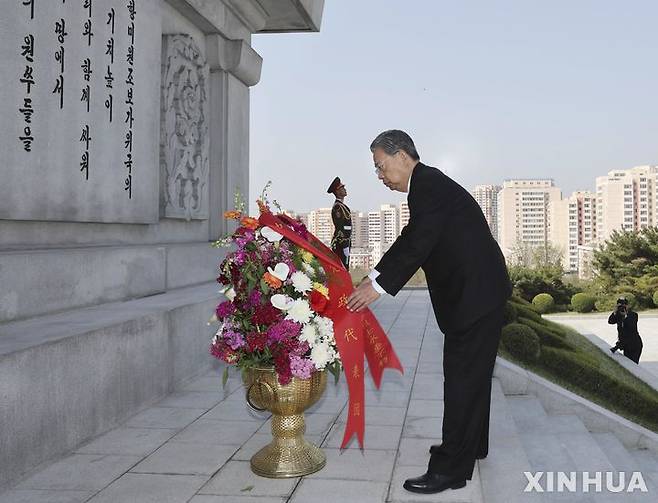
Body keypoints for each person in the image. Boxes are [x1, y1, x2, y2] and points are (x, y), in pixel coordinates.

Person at [347, 130, 512, 495]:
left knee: (462, 378)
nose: (380, 176)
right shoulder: (428, 185)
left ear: (402, 156)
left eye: (380, 166)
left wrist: (376, 286)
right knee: (473, 375)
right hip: (479, 292)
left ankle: (451, 469)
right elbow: (418, 237)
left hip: (475, 296)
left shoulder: (429, 185)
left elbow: (417, 240)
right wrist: (375, 278)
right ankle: (471, 447)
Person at [327, 176, 352, 269]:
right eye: (342, 188)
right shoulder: (338, 207)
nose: (345, 190)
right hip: (341, 243)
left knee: (345, 267)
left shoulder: (342, 206)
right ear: (337, 191)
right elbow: (341, 228)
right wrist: (345, 244)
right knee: (341, 267)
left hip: (346, 242)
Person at [608, 297, 643, 364]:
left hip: (635, 345)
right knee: (628, 364)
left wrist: (625, 316)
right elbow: (610, 321)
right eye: (620, 306)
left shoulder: (633, 315)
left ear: (627, 306)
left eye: (624, 305)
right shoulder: (618, 315)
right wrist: (614, 312)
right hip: (626, 345)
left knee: (633, 365)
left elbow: (632, 326)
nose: (622, 307)